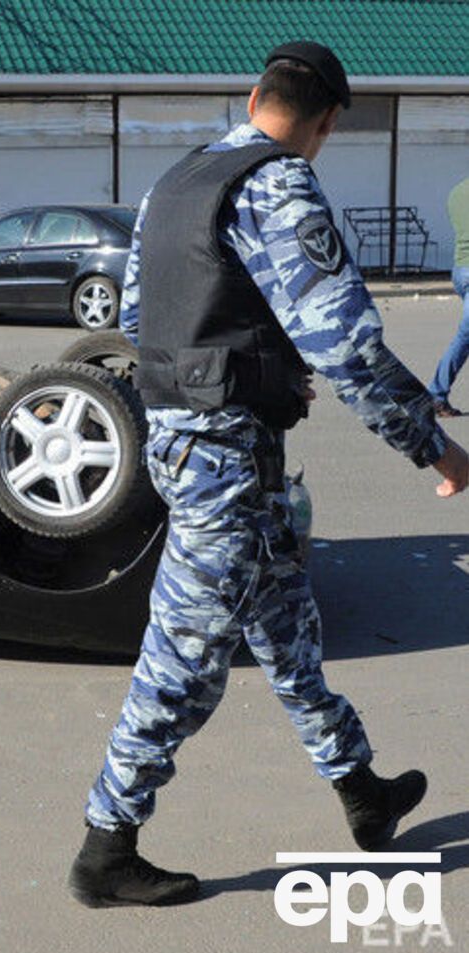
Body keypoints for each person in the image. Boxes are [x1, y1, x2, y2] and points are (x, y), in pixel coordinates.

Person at [68, 40, 469, 908]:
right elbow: (347, 344)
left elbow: (141, 313)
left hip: (183, 437)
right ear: (324, 123)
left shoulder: (177, 181)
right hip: (226, 459)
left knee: (286, 626)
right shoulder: (280, 183)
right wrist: (434, 446)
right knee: (182, 657)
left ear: (255, 96)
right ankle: (106, 846)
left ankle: (363, 791)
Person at [428, 176, 469, 417]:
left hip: (460, 270)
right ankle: (436, 394)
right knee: (465, 336)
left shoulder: (456, 192)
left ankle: (437, 395)